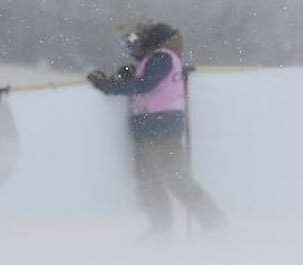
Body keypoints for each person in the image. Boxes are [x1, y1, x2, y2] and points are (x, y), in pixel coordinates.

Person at [87, 23, 227, 238]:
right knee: (152, 182)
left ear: (149, 41)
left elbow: (145, 85)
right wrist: (129, 76)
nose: (132, 49)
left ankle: (211, 223)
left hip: (160, 132)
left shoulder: (162, 57)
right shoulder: (158, 60)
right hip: (151, 132)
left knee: (173, 179)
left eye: (134, 43)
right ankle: (168, 227)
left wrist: (109, 86)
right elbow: (146, 82)